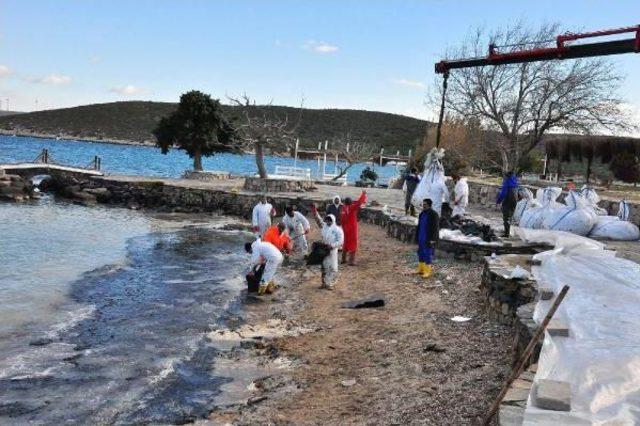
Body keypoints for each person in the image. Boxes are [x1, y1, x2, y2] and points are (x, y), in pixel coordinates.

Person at [310, 204, 344, 289]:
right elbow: (318, 219)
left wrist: (332, 246)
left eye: (329, 221)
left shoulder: (337, 230)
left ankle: (330, 284)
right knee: (324, 267)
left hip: (332, 251)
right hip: (324, 250)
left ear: (333, 221)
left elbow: (340, 241)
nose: (328, 222)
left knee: (333, 268)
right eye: (327, 220)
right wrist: (314, 211)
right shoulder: (324, 227)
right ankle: (324, 283)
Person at [340, 190, 366, 265]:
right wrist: (363, 194)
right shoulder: (352, 207)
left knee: (346, 242)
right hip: (352, 228)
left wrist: (343, 227)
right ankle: (351, 261)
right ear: (351, 202)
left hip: (345, 228)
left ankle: (343, 259)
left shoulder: (343, 209)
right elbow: (359, 202)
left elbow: (341, 220)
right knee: (353, 244)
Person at [416, 198, 440, 279]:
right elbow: (419, 226)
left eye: (425, 204)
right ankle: (421, 269)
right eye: (423, 204)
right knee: (420, 253)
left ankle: (427, 271)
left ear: (429, 205)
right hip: (421, 237)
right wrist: (416, 236)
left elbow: (436, 228)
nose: (423, 206)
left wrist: (433, 239)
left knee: (427, 254)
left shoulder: (434, 214)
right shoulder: (422, 214)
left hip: (428, 238)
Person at [496, 171, 518, 237]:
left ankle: (506, 233)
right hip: (514, 201)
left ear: (507, 176)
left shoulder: (506, 182)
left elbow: (503, 193)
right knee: (510, 217)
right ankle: (508, 231)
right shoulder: (515, 182)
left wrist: (498, 201)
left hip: (507, 201)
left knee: (506, 218)